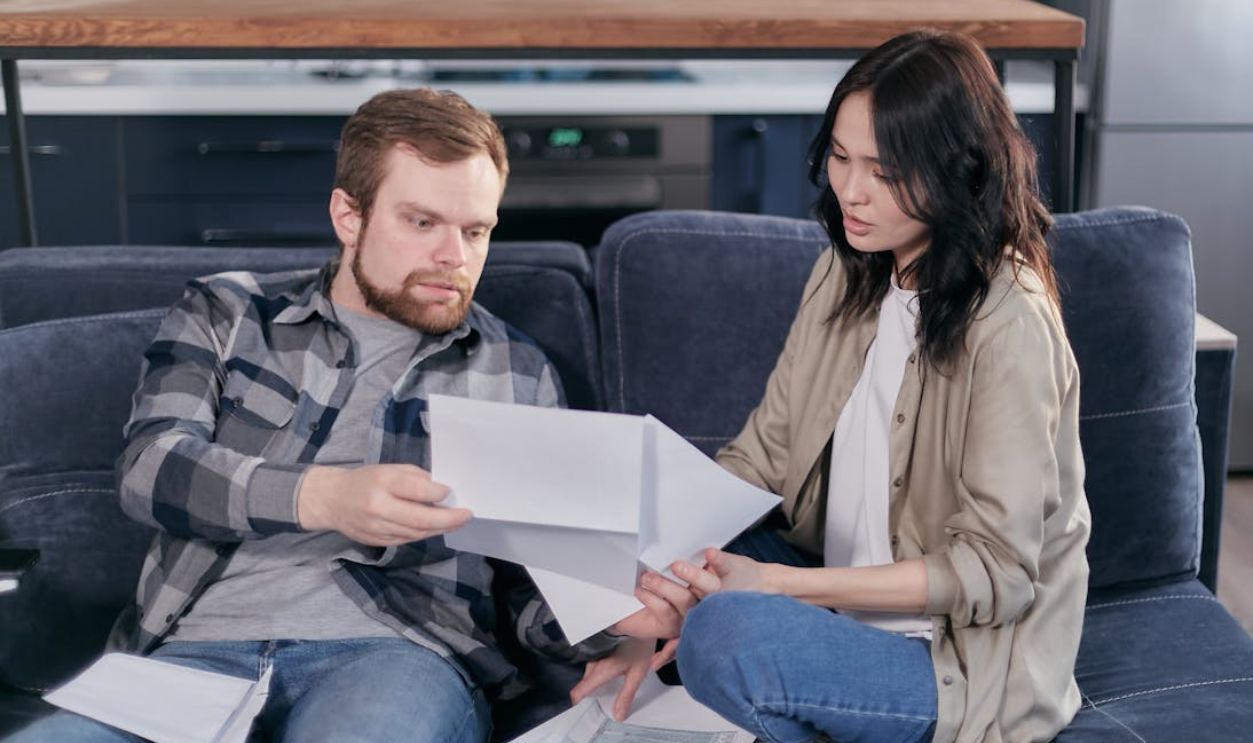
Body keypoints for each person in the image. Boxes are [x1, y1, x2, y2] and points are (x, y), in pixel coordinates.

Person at [9, 88, 692, 743]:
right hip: (192, 649)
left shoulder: (512, 367)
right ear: (349, 215)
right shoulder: (228, 314)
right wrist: (323, 495)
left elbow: (526, 585)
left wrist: (609, 617)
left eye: (475, 229)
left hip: (397, 655)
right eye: (421, 222)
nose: (454, 258)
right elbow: (150, 468)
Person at [574, 29, 1091, 743]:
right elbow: (760, 457)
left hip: (950, 658)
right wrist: (657, 598)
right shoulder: (846, 269)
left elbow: (995, 574)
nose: (849, 191)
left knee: (725, 632)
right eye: (841, 158)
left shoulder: (1009, 324)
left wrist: (776, 587)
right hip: (834, 605)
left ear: (956, 170)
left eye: (883, 171)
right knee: (682, 560)